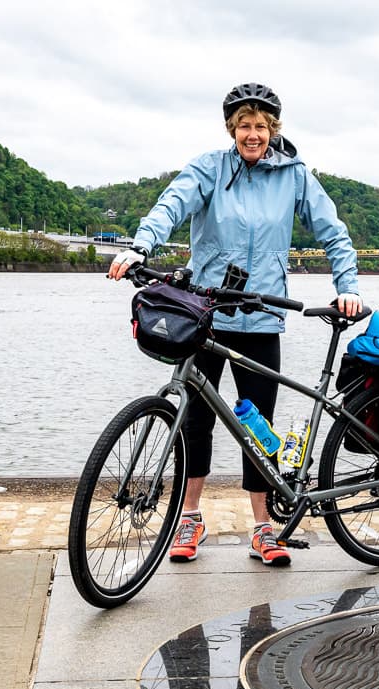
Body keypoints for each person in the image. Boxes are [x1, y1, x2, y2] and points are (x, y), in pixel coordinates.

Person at [108, 82, 361, 567]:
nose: (252, 134)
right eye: (244, 125)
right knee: (196, 420)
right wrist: (141, 246)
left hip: (263, 314)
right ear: (232, 129)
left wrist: (347, 285)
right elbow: (171, 205)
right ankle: (190, 517)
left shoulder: (295, 177)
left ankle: (264, 527)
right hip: (206, 310)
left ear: (273, 130)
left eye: (261, 126)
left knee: (256, 425)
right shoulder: (209, 168)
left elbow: (333, 231)